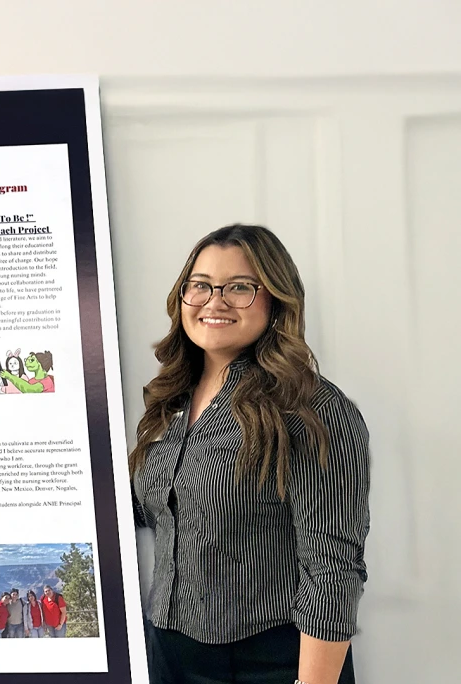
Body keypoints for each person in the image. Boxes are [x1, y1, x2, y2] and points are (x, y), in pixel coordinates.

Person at [129, 225, 370, 684]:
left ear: (276, 299)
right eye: (199, 285)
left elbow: (334, 566)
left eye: (239, 287)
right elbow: (156, 511)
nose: (214, 301)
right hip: (168, 654)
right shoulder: (168, 401)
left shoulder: (310, 408)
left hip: (273, 661)